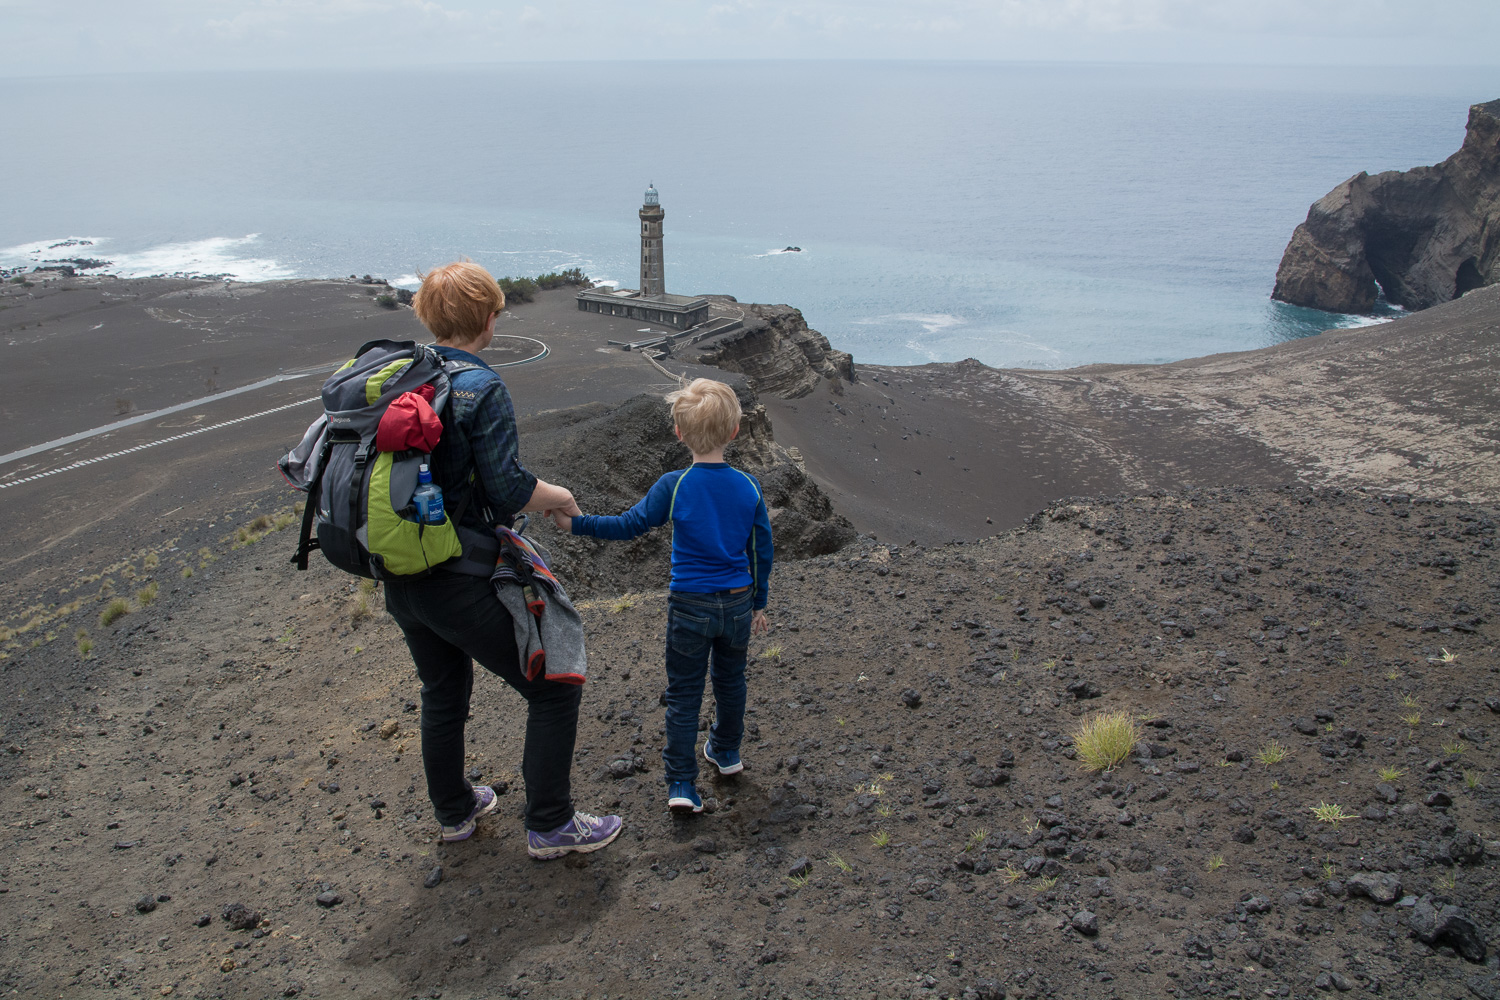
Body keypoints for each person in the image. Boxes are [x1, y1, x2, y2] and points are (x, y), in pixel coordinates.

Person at [387, 260, 621, 858]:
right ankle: (550, 824)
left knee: (442, 688)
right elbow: (507, 487)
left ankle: (456, 812)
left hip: (399, 572)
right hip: (457, 575)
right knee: (553, 687)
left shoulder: (402, 377)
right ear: (489, 320)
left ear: (429, 317)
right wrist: (559, 497)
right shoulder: (480, 387)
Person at [551, 378, 772, 813]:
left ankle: (682, 786)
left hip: (690, 605)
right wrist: (759, 601)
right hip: (738, 603)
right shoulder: (749, 486)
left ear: (678, 432)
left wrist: (576, 523)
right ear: (734, 431)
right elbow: (760, 549)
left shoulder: (675, 484)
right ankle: (726, 753)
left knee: (685, 693)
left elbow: (629, 524)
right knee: (731, 681)